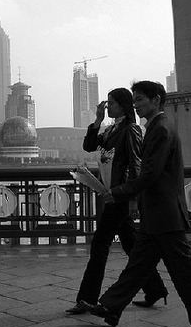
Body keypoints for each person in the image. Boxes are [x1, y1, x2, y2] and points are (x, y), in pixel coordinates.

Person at [80, 81, 191, 327]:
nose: (136, 104)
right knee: (136, 266)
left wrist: (120, 193)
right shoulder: (150, 128)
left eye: (140, 99)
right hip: (155, 213)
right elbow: (92, 145)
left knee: (187, 275)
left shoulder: (159, 130)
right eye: (134, 100)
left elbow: (149, 173)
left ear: (156, 100)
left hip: (166, 215)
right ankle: (110, 307)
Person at [66, 88, 167, 315]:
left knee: (100, 244)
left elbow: (136, 164)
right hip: (111, 193)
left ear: (122, 105)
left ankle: (87, 299)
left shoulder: (131, 130)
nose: (107, 106)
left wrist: (129, 197)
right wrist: (97, 120)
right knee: (132, 244)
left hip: (119, 195)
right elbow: (90, 146)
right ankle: (155, 288)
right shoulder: (112, 129)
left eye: (111, 103)